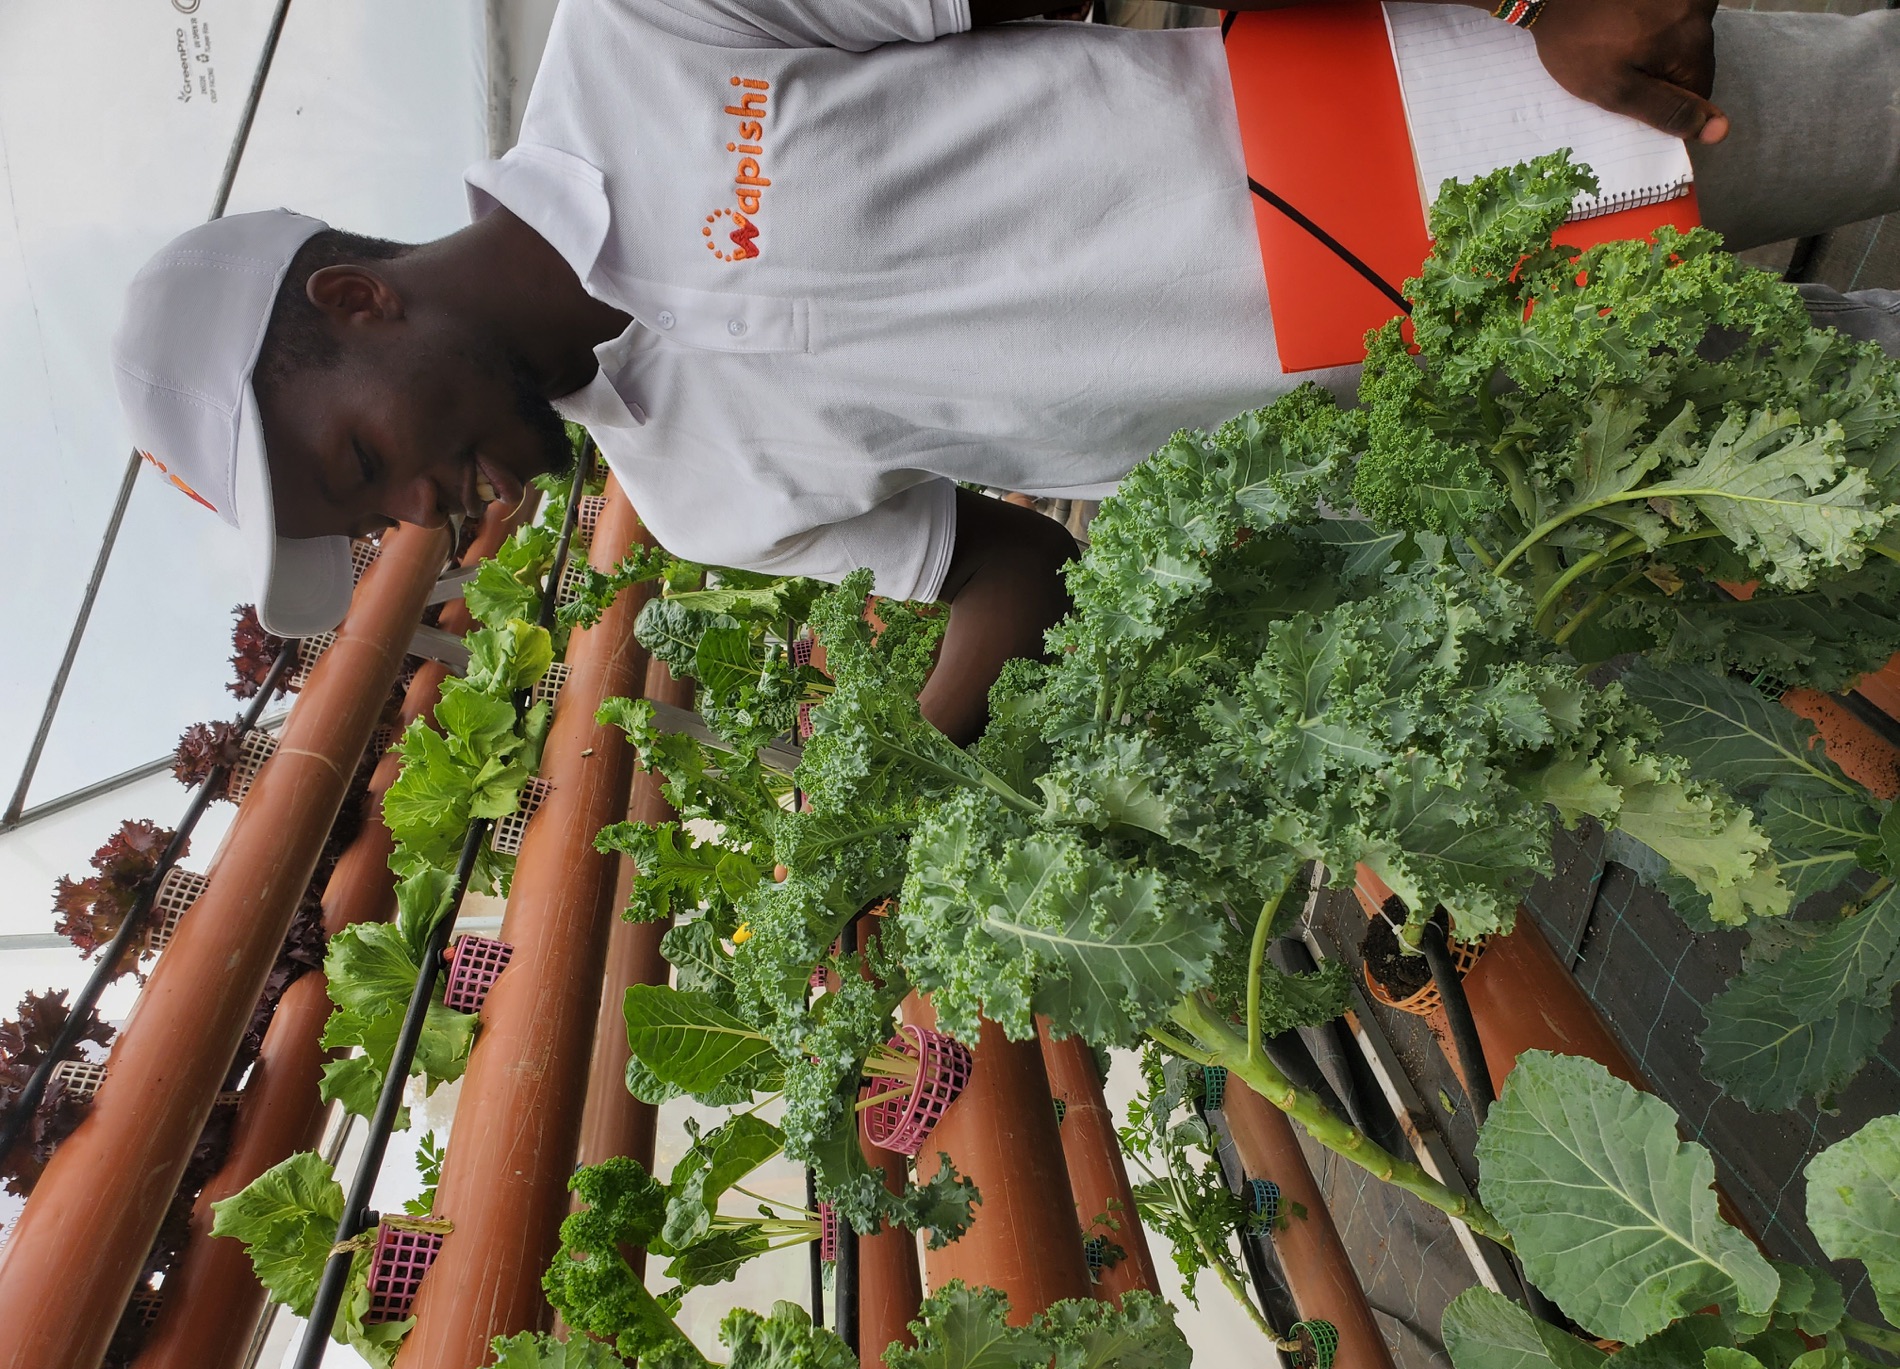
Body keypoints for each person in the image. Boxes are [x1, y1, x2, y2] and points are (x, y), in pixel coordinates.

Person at [112, 0, 1900, 742]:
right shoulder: (696, 495)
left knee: (1870, 107)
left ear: (352, 303)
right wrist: (931, 775)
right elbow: (1001, 566)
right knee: (1856, 425)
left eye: (358, 469)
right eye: (374, 525)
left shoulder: (645, 37)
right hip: (1442, 426)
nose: (420, 518)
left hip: (1470, 122)